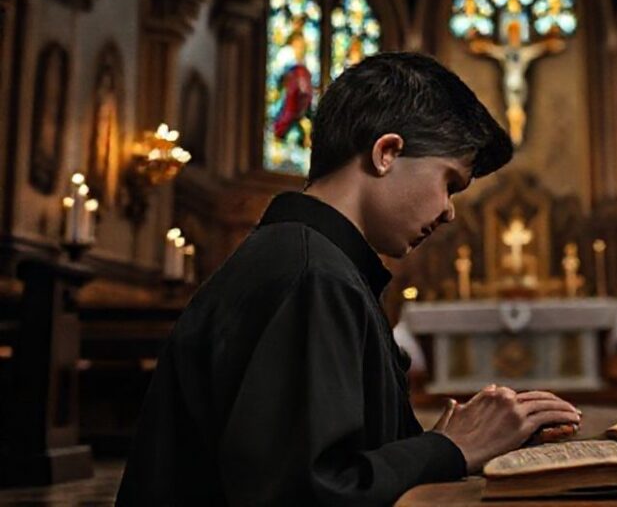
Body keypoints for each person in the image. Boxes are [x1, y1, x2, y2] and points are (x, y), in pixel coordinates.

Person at [116, 52, 581, 505]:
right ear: (387, 152)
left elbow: (333, 458)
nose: (449, 212)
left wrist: (463, 441)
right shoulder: (312, 276)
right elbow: (304, 492)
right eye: (449, 183)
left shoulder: (313, 260)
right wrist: (450, 449)